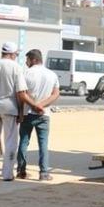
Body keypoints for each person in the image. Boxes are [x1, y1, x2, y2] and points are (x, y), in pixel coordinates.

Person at [0, 42, 42, 181]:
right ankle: (7, 174)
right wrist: (20, 111)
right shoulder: (16, 68)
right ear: (13, 54)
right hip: (10, 107)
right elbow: (20, 92)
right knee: (10, 141)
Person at [17, 49, 60, 181]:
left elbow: (21, 94)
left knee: (24, 142)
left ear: (34, 60)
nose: (26, 62)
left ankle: (21, 171)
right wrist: (42, 105)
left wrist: (32, 106)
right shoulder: (52, 74)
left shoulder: (26, 74)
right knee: (43, 144)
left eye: (28, 60)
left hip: (27, 113)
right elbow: (56, 94)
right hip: (44, 114)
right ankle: (44, 173)